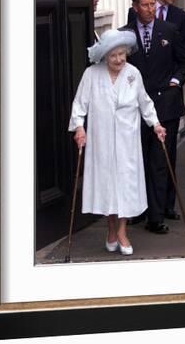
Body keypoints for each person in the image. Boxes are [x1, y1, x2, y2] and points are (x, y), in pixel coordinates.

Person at [68, 29, 166, 256]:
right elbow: (79, 104)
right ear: (104, 56)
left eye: (122, 54)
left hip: (127, 141)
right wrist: (79, 127)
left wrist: (156, 125)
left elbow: (145, 103)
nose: (119, 59)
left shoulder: (133, 73)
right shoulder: (91, 74)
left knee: (125, 186)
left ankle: (122, 232)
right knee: (106, 186)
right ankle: (111, 228)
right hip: (101, 141)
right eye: (114, 56)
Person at [125, 0, 185, 234]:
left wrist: (176, 83)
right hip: (135, 109)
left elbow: (184, 63)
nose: (151, 9)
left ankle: (158, 214)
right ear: (135, 7)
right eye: (145, 5)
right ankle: (139, 210)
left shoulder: (169, 30)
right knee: (138, 160)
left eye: (153, 4)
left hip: (166, 105)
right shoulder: (126, 34)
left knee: (161, 161)